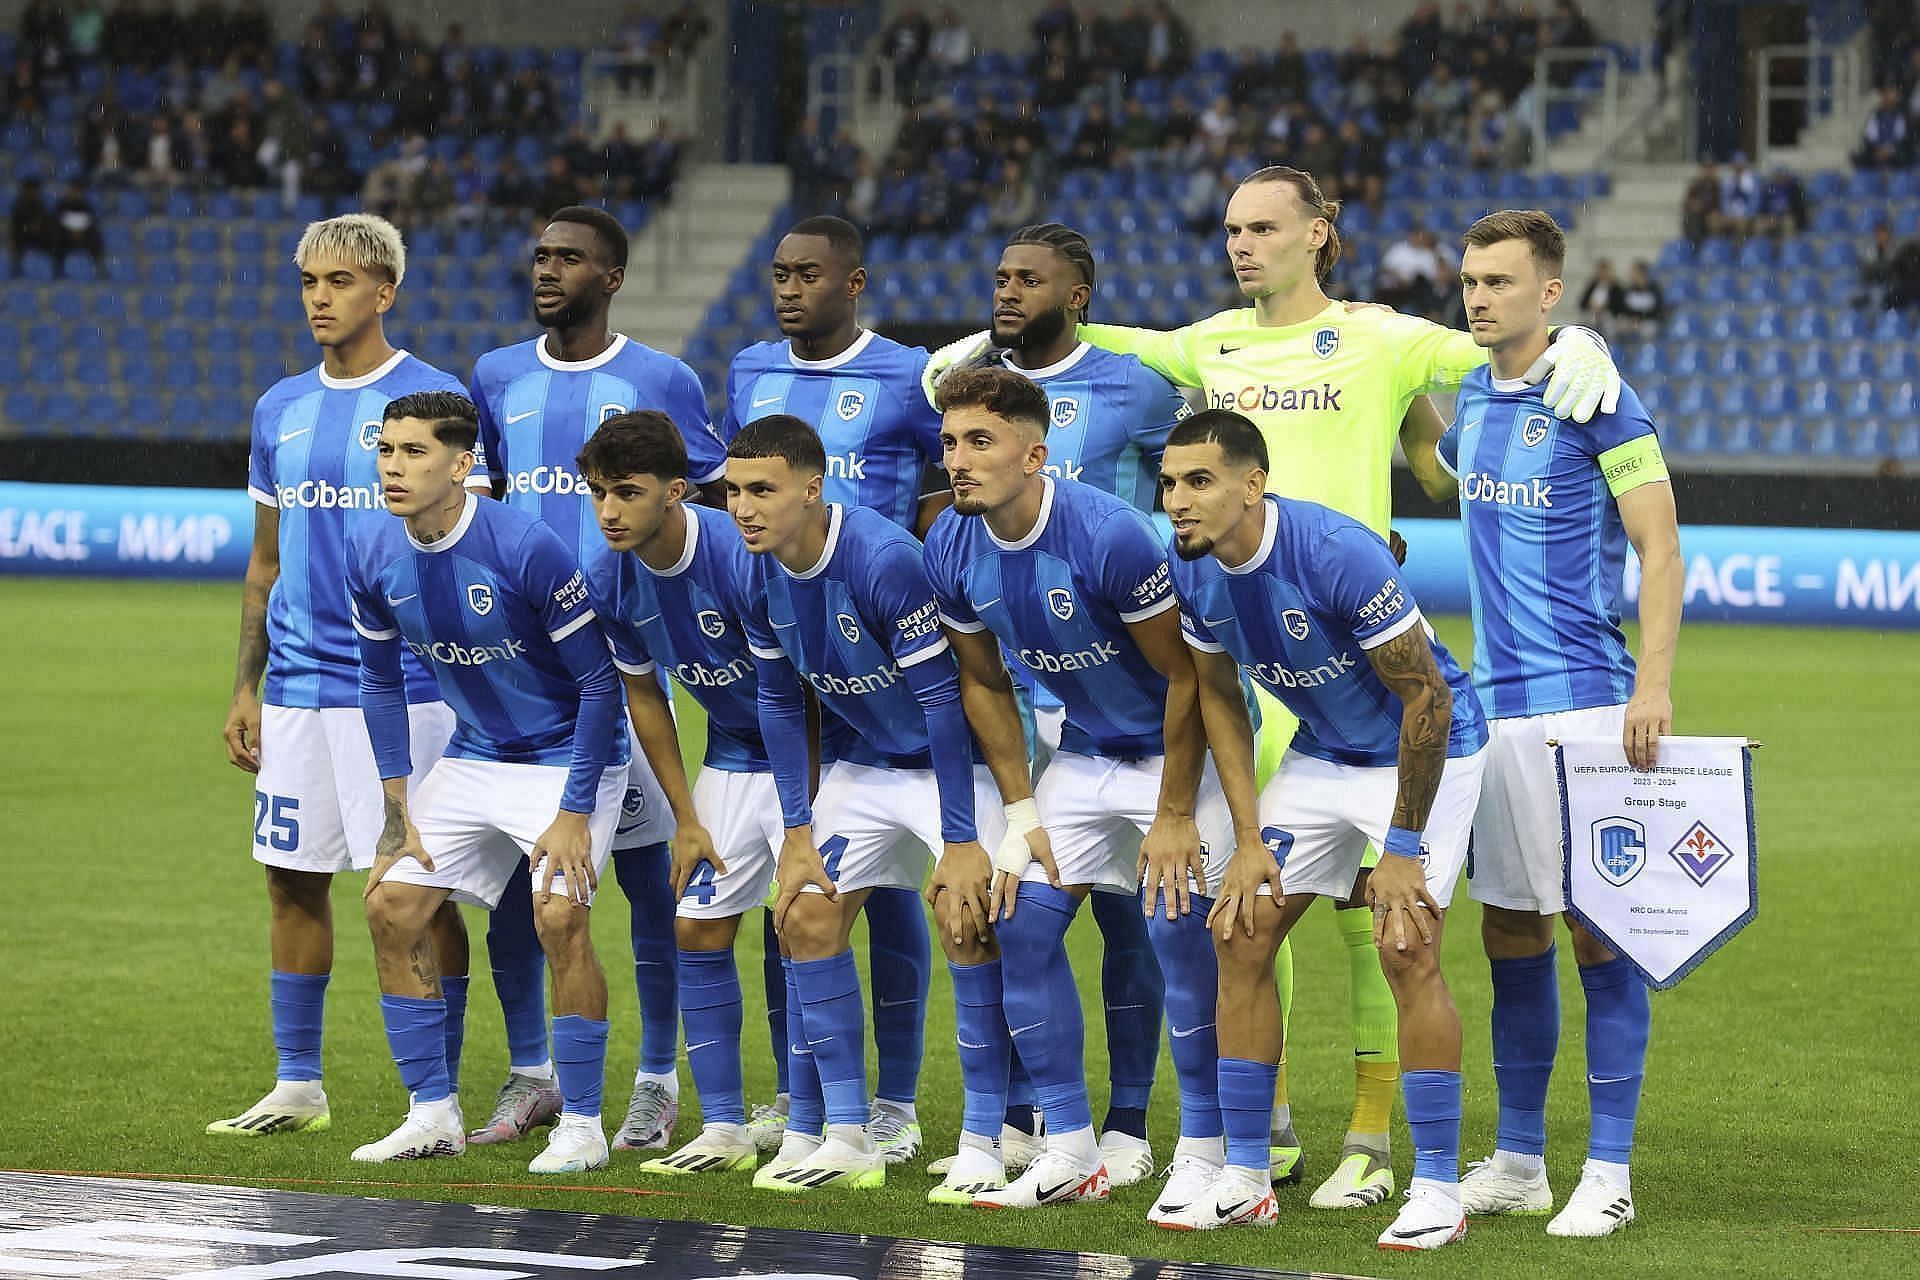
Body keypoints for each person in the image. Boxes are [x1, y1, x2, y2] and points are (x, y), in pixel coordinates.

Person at [927, 165, 1619, 1204]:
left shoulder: (1381, 334)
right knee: (1241, 909)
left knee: (1380, 921)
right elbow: (1084, 342)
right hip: (1265, 671)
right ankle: (1262, 1132)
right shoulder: (1206, 345)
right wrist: (975, 350)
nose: (1241, 243)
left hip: (1363, 639)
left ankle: (1378, 1141)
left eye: (1263, 226)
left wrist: (1577, 340)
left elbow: (1491, 343)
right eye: (1231, 227)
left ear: (1320, 234)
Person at [1159, 408, 1489, 1250]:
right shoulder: (1191, 569)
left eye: (1199, 481)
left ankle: (1440, 1188)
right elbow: (1219, 698)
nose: (1178, 500)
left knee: (1405, 946)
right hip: (1326, 756)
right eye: (1168, 483)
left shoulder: (1335, 552)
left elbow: (1430, 698)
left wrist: (1403, 851)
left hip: (1431, 753)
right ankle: (1244, 1173)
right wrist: (1246, 839)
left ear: (1252, 485)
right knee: (1237, 929)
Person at [1413, 209, 1682, 1239]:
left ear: (1550, 293)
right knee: (1511, 928)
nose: (1478, 295)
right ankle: (1522, 1159)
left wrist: (1651, 687)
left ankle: (1608, 1166)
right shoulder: (1474, 396)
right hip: (1497, 712)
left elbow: (1660, 549)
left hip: (1588, 703)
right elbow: (1445, 472)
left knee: (1600, 936)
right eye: (1470, 279)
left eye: (1499, 281)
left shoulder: (1601, 399)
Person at [924, 366, 1238, 1219]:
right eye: (950, 441)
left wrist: (1173, 814)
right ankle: (1070, 1147)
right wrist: (1021, 813)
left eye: (979, 441)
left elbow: (1191, 680)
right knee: (1021, 925)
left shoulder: (1111, 537)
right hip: (1083, 754)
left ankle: (1204, 1152)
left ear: (1036, 453)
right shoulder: (950, 545)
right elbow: (982, 684)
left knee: (1178, 932)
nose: (958, 459)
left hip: (1179, 758)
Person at [467, 205, 727, 1154]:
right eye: (540, 255)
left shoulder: (662, 380)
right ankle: (531, 1073)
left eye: (569, 258)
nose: (548, 270)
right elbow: (483, 510)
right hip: (522, 673)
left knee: (648, 884)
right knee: (511, 888)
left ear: (611, 276)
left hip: (619, 664)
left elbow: (702, 500)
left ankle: (658, 1083)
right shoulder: (495, 376)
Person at [211, 213, 472, 1140]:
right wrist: (247, 684)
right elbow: (264, 561)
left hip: (402, 690)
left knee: (413, 890)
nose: (321, 298)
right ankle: (297, 1084)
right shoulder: (280, 406)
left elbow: (461, 550)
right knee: (291, 878)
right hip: (295, 692)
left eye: (340, 281)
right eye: (309, 282)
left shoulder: (435, 397)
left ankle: (432, 1101)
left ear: (384, 291)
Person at [727, 414, 1024, 1194]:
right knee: (803, 912)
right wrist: (797, 830)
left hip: (954, 763)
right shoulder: (754, 566)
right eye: (732, 492)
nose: (744, 508)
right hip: (866, 764)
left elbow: (942, 702)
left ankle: (986, 1142)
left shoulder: (883, 557)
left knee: (967, 918)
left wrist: (961, 839)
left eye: (763, 490)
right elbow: (782, 704)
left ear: (812, 489)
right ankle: (848, 1137)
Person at [345, 392, 629, 1175]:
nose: (394, 467)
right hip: (474, 755)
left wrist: (574, 812)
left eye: (414, 452)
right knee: (391, 905)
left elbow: (601, 685)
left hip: (569, 755)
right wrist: (396, 813)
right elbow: (379, 682)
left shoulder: (525, 546)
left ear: (462, 466)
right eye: (386, 450)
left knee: (559, 919)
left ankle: (583, 1123)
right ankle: (431, 1113)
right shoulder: (370, 548)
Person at [719, 216, 950, 1162]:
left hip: (893, 625)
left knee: (903, 893)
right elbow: (739, 481)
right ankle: (802, 1094)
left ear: (853, 282)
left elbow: (956, 478)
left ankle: (901, 1102)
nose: (788, 288)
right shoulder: (746, 371)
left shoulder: (907, 374)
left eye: (807, 274)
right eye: (777, 273)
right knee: (803, 876)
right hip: (806, 633)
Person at [578, 411, 783, 1178]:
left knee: (807, 920)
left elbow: (802, 687)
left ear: (675, 491)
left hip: (828, 750)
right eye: (596, 493)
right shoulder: (607, 575)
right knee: (697, 928)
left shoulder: (737, 554)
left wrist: (799, 813)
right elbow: (648, 699)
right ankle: (725, 1127)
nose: (607, 511)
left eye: (625, 493)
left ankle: (833, 1117)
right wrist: (687, 819)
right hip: (731, 755)